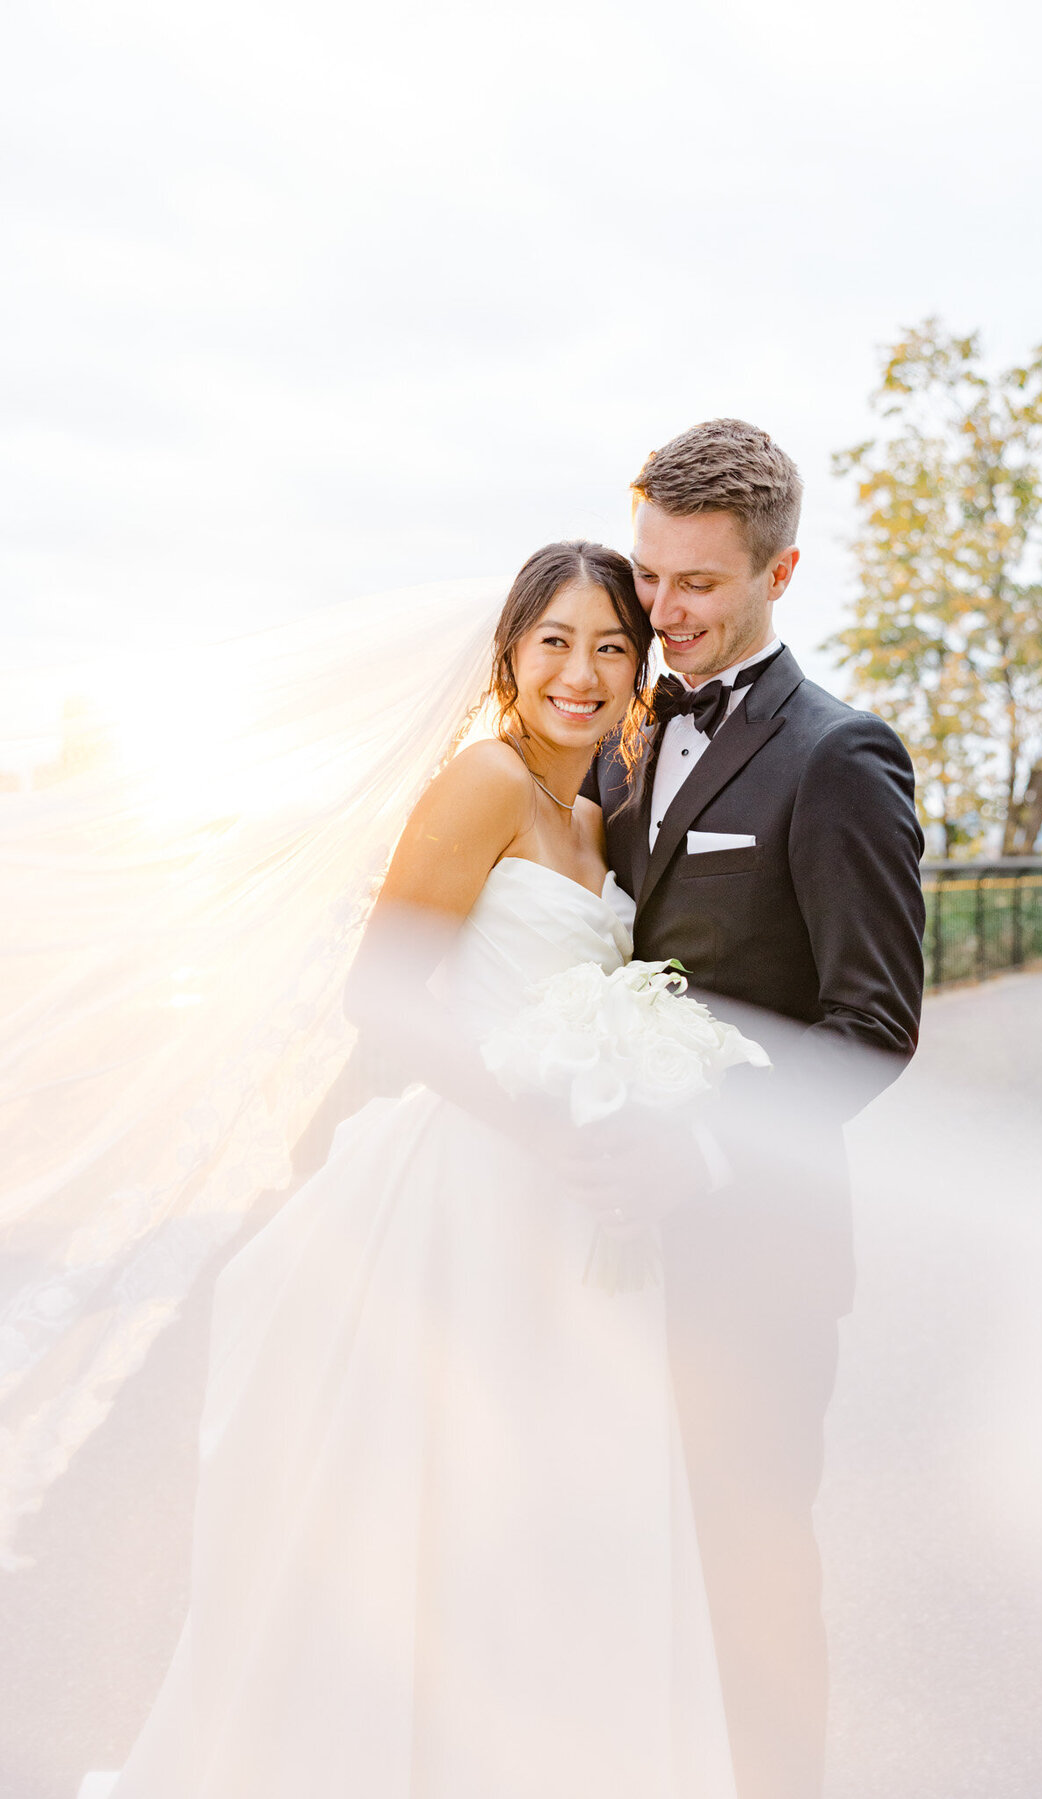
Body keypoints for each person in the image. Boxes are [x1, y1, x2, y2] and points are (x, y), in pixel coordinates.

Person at [99, 541, 745, 1799]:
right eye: (555, 639)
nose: (583, 668)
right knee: (438, 1518)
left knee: (554, 1520)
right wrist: (539, 1121)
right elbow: (382, 996)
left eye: (612, 644)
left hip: (579, 1206)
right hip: (469, 1186)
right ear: (508, 650)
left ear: (637, 668)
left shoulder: (593, 810)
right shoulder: (485, 783)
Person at [582, 418, 926, 1799]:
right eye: (650, 575)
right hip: (603, 1260)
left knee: (751, 1572)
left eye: (699, 586)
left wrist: (704, 1144)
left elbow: (875, 1028)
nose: (661, 612)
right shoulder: (619, 735)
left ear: (782, 569)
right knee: (624, 1560)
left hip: (756, 1259)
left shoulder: (840, 757)